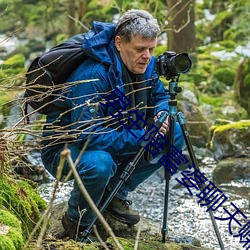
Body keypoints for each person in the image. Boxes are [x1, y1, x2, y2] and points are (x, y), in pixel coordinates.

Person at [41, 9, 185, 241]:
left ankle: (115, 193)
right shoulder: (92, 75)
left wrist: (161, 114)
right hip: (66, 149)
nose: (147, 56)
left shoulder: (145, 64)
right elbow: (87, 136)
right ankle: (76, 221)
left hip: (117, 134)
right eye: (140, 49)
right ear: (119, 43)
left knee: (174, 132)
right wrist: (143, 136)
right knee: (100, 164)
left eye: (151, 49)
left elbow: (159, 96)